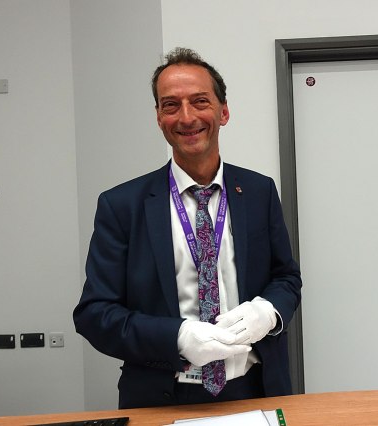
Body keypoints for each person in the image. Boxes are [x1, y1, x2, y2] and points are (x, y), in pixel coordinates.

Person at [73, 47, 302, 409]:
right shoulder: (122, 205)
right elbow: (95, 314)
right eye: (170, 105)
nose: (186, 116)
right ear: (158, 117)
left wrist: (268, 312)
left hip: (255, 389)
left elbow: (286, 277)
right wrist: (176, 337)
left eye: (199, 101)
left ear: (223, 111)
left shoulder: (259, 191)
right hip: (161, 395)